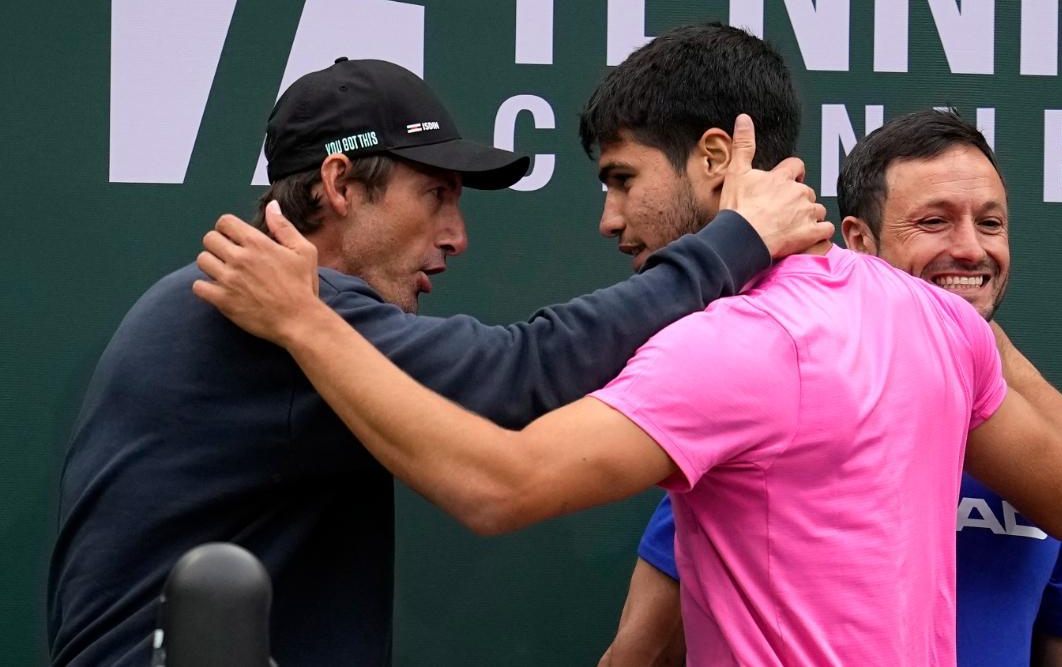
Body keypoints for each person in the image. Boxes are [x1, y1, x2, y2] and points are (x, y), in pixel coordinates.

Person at [194, 25, 1062, 664]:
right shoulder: (935, 323)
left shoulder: (734, 344)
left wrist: (306, 322)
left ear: (717, 160)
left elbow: (498, 485)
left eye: (623, 179)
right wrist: (957, 317)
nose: (610, 217)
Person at [47, 57, 828, 667]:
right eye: (436, 197)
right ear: (341, 183)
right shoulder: (262, 314)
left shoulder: (264, 308)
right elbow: (522, 374)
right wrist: (736, 239)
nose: (457, 236)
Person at [602, 108, 1062, 667]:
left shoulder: (1042, 457)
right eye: (934, 222)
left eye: (990, 224)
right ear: (858, 242)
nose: (970, 248)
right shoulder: (773, 425)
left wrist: (982, 345)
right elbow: (640, 654)